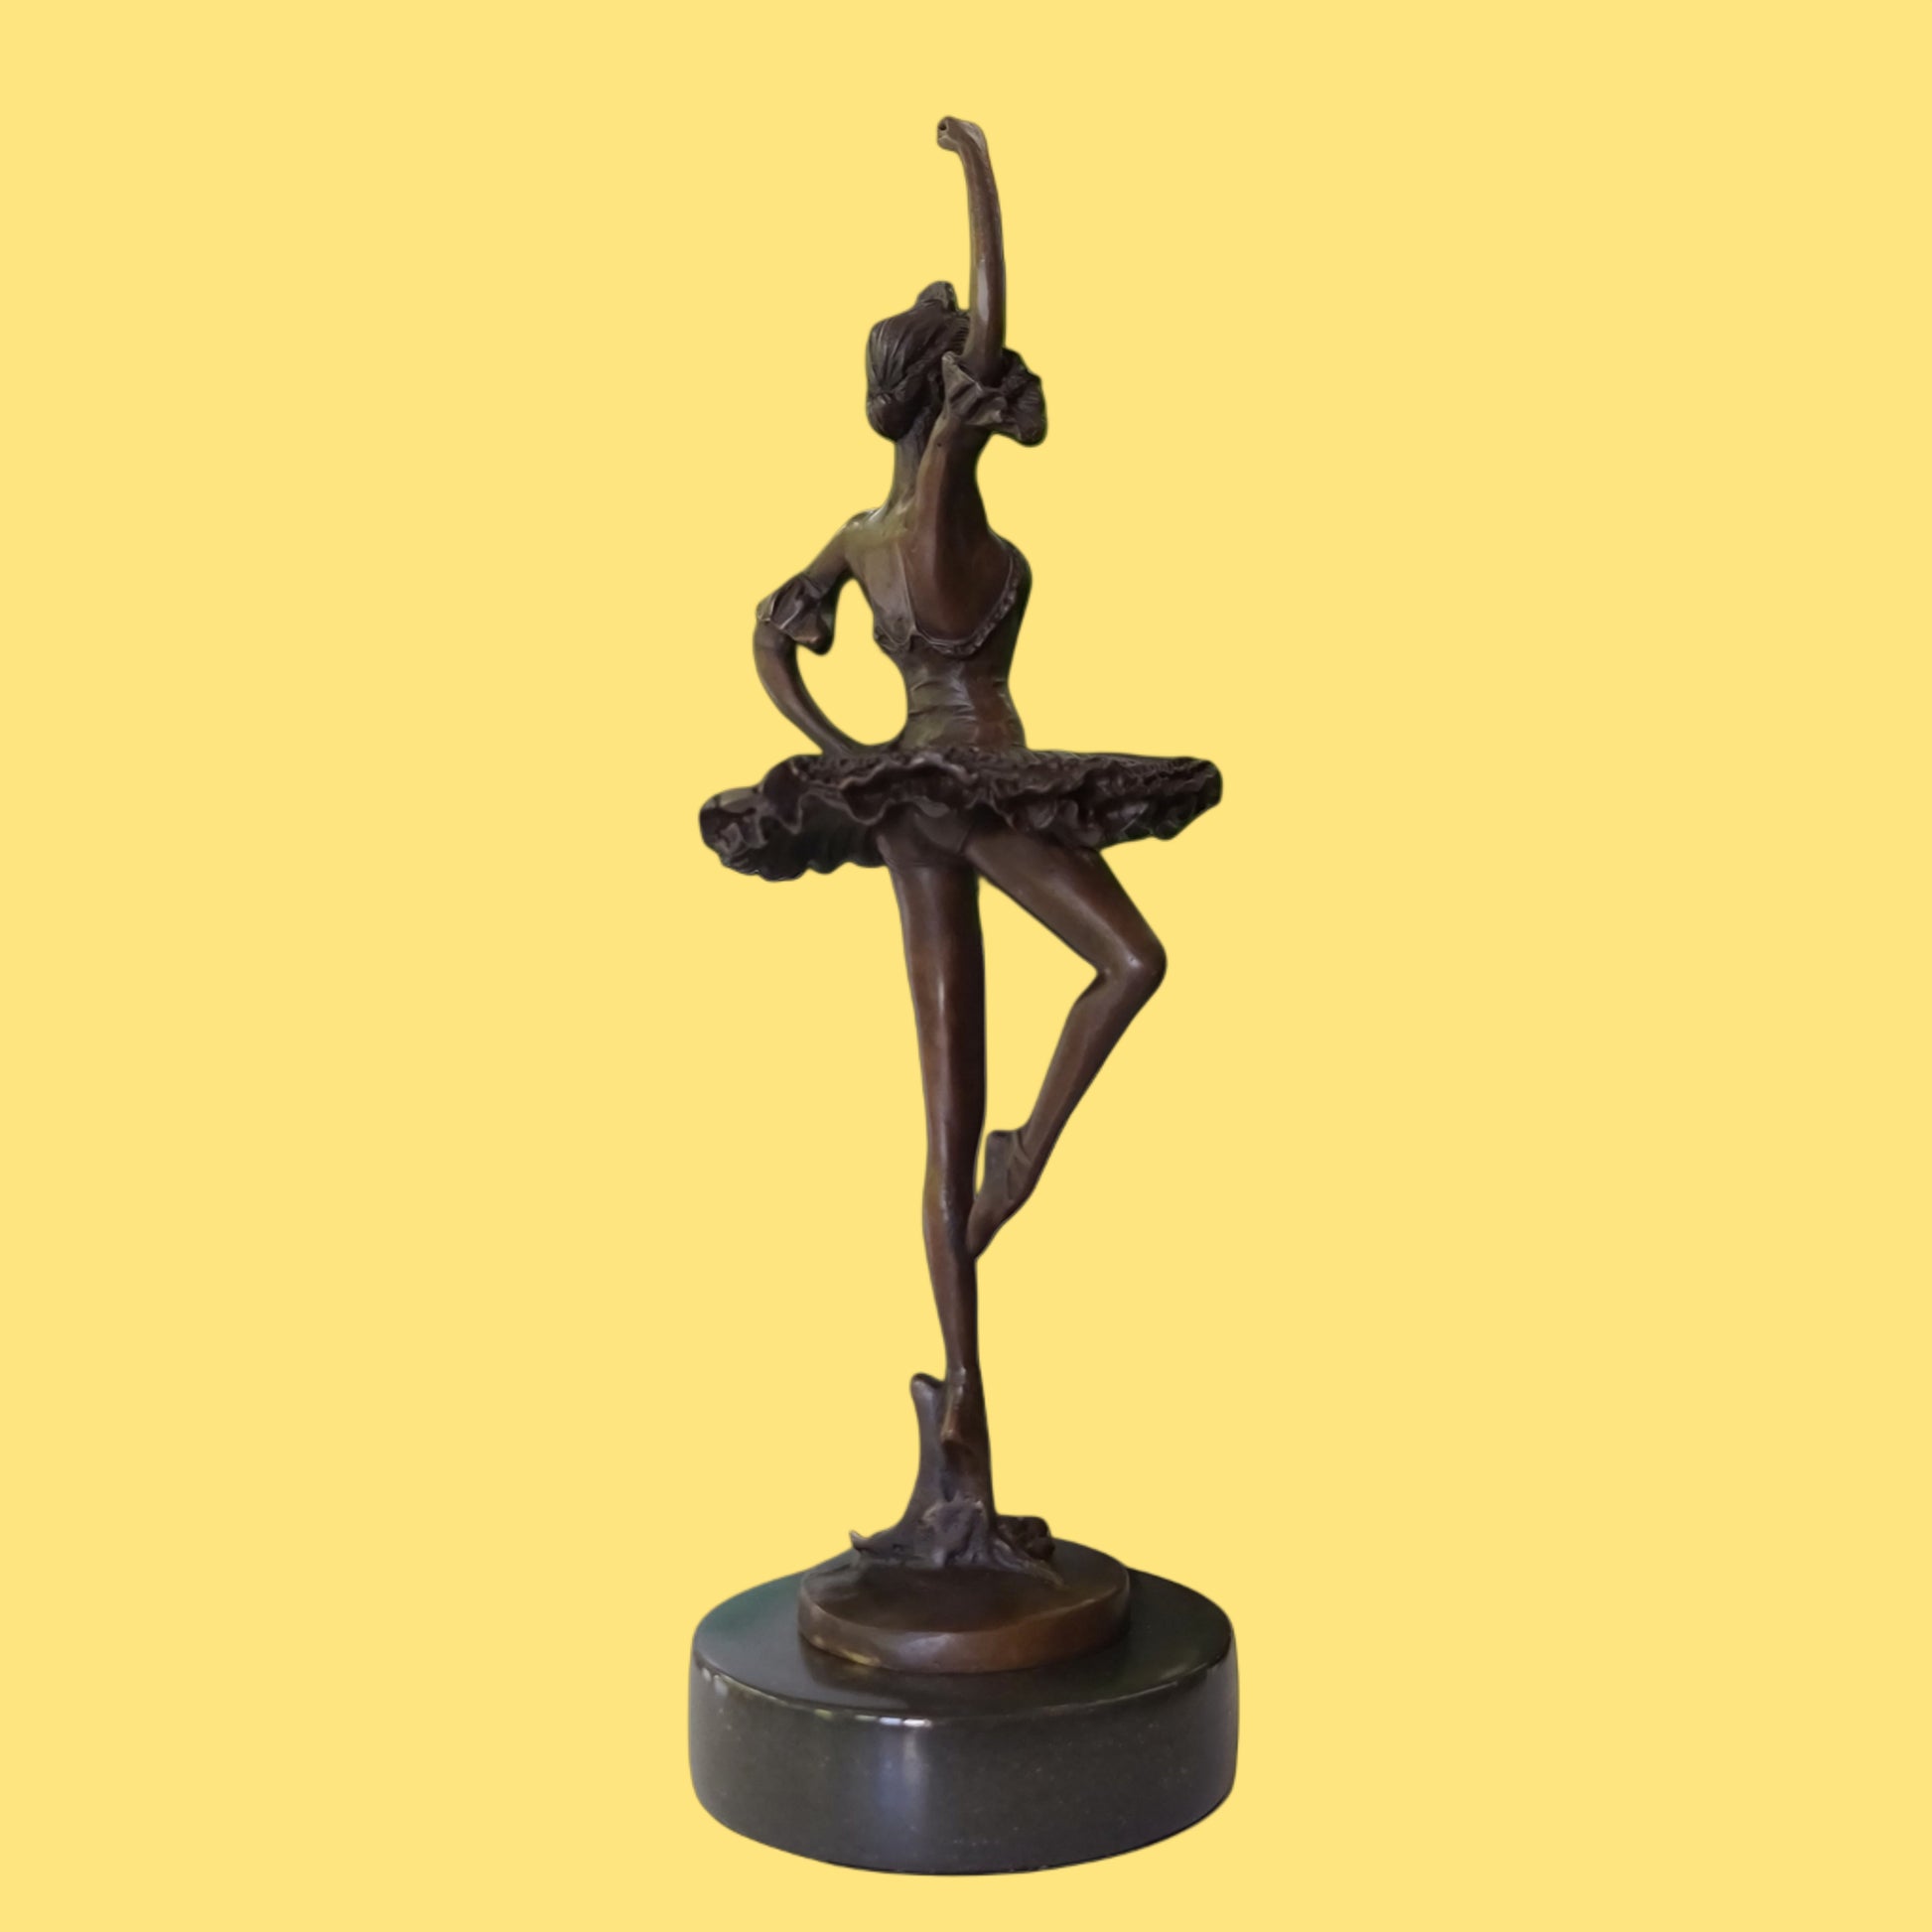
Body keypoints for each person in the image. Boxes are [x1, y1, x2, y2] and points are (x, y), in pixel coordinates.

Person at [700, 119, 1221, 1564]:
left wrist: (837, 742)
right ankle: (1028, 1153)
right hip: (978, 782)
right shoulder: (934, 501)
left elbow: (767, 629)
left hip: (908, 804)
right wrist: (976, 164)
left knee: (937, 1126)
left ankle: (960, 1432)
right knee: (1130, 961)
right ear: (946, 394)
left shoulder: (861, 536)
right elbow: (993, 317)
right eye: (966, 383)